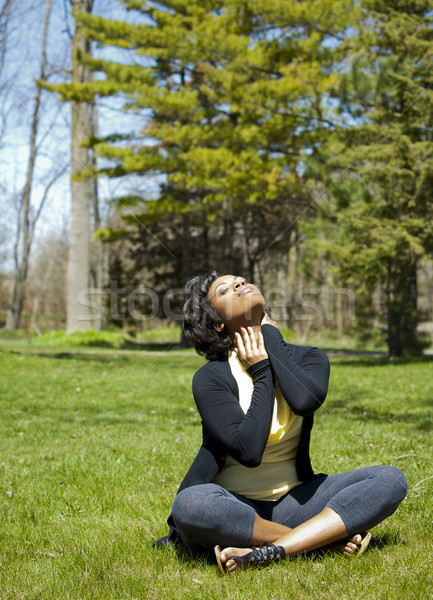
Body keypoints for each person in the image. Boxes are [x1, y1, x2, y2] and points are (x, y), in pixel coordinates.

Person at [154, 271, 407, 574]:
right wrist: (261, 373)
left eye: (241, 280)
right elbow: (248, 451)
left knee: (389, 479)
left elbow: (303, 401)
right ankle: (319, 541)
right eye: (225, 289)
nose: (239, 284)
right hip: (235, 509)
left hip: (294, 504)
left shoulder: (310, 358)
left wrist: (270, 338)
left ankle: (271, 550)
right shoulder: (211, 377)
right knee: (191, 504)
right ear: (218, 323)